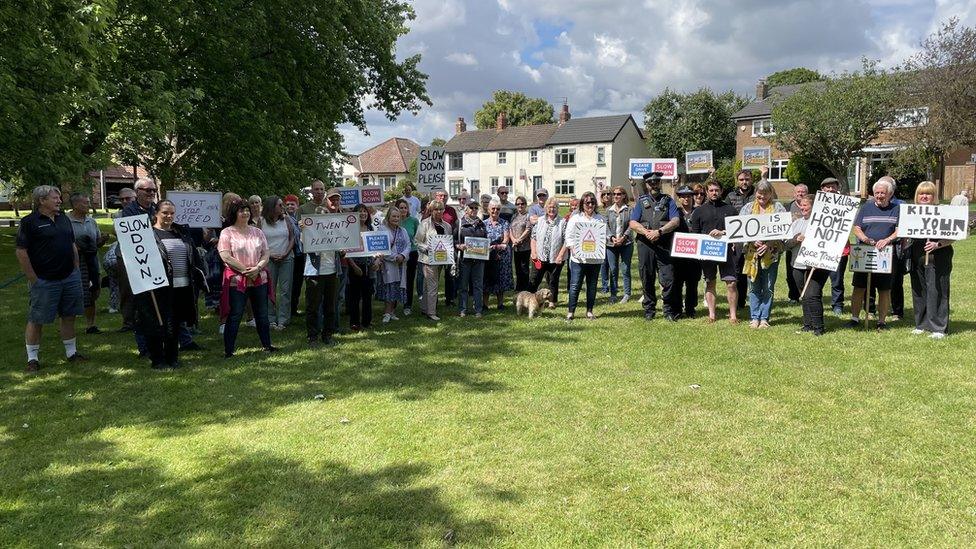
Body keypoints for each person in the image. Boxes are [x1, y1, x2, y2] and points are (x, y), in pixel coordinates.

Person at [16, 185, 87, 372]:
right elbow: (21, 252)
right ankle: (32, 359)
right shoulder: (29, 222)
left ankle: (72, 353)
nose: (60, 201)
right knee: (37, 318)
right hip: (44, 280)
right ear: (42, 201)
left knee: (69, 315)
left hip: (69, 277)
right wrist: (33, 278)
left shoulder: (63, 219)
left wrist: (76, 269)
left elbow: (71, 244)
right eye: (55, 198)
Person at [144, 200, 209, 368]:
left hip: (183, 286)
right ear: (156, 214)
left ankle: (173, 357)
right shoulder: (148, 235)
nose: (169, 216)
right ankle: (158, 359)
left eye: (172, 213)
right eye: (165, 212)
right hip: (160, 287)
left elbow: (193, 256)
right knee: (159, 323)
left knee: (175, 323)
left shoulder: (181, 233)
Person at [218, 199, 275, 357]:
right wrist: (245, 271)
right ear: (234, 213)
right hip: (237, 281)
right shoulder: (227, 232)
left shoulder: (257, 232)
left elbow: (266, 253)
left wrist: (257, 268)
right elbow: (225, 256)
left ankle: (267, 345)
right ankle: (229, 351)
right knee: (235, 314)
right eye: (241, 210)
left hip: (258, 278)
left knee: (262, 314)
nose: (245, 213)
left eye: (247, 210)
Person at [847, 178, 900, 330]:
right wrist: (863, 237)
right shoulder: (865, 208)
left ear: (890, 194)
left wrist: (887, 239)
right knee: (859, 287)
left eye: (883, 193)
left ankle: (881, 321)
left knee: (884, 289)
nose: (879, 196)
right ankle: (855, 318)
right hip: (865, 251)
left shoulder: (896, 209)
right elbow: (857, 227)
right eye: (877, 193)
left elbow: (899, 230)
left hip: (885, 253)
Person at [629, 172, 681, 321]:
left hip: (664, 244)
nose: (654, 185)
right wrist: (646, 232)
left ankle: (668, 310)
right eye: (650, 182)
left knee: (668, 278)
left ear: (660, 183)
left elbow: (675, 221)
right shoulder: (641, 202)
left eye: (656, 182)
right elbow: (633, 222)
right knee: (647, 277)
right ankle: (649, 309)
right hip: (645, 245)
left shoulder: (668, 200)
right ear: (646, 185)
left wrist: (659, 232)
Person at [907, 181, 954, 339]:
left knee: (937, 290)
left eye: (928, 194)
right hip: (917, 254)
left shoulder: (943, 212)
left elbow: (954, 236)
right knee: (919, 289)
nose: (924, 196)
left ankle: (939, 327)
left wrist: (937, 244)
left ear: (934, 196)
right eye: (921, 193)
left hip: (938, 255)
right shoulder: (912, 212)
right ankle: (921, 324)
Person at [689, 180, 740, 324]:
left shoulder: (730, 210)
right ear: (706, 192)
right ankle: (712, 315)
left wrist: (723, 232)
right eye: (711, 190)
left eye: (716, 190)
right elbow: (695, 235)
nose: (714, 193)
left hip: (727, 252)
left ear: (721, 191)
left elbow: (737, 232)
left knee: (731, 284)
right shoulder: (698, 211)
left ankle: (733, 315)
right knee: (710, 283)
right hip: (708, 252)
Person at [120, 177, 159, 354]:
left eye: (153, 190)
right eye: (147, 190)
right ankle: (144, 346)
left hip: (157, 261)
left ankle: (158, 340)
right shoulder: (129, 212)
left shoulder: (157, 210)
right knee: (140, 305)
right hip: (137, 264)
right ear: (137, 193)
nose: (151, 193)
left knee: (157, 303)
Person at [740, 179, 786, 328]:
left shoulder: (778, 208)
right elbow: (740, 230)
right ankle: (754, 317)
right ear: (755, 194)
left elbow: (784, 231)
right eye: (759, 195)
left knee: (768, 286)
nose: (762, 198)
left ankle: (764, 318)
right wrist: (753, 241)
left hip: (771, 254)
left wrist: (768, 244)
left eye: (765, 195)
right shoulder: (747, 208)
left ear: (770, 193)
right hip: (751, 253)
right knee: (753, 285)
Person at [559, 191, 606, 320]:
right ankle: (571, 312)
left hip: (595, 260)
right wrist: (573, 248)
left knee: (592, 287)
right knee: (575, 286)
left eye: (592, 202)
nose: (590, 205)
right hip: (578, 259)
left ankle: (589, 311)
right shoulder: (575, 218)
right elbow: (568, 237)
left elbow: (603, 236)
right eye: (587, 202)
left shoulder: (600, 219)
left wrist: (610, 239)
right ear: (582, 204)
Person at [786, 195, 828, 335]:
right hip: (798, 264)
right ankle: (807, 324)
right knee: (803, 294)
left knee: (812, 294)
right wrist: (796, 240)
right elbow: (786, 244)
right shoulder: (797, 223)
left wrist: (809, 240)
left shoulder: (823, 223)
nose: (802, 208)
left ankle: (818, 327)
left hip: (816, 265)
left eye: (806, 205)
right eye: (801, 205)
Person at [67, 192, 106, 334]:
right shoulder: (65, 221)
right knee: (73, 294)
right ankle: (67, 325)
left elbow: (96, 243)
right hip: (74, 264)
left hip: (92, 262)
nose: (89, 205)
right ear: (76, 205)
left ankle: (91, 325)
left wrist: (102, 240)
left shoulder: (92, 221)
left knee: (93, 292)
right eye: (86, 202)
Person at [258, 195, 294, 330]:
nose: (282, 207)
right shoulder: (262, 221)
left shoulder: (287, 220)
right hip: (269, 259)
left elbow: (292, 238)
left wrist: (285, 253)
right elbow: (259, 241)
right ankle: (271, 318)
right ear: (272, 206)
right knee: (269, 290)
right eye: (279, 205)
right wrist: (269, 255)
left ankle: (283, 320)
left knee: (285, 290)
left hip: (286, 259)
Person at [416, 200, 454, 321]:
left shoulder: (447, 226)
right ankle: (431, 312)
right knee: (432, 286)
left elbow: (449, 243)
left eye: (441, 209)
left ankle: (424, 308)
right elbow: (417, 241)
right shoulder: (425, 224)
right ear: (431, 211)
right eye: (436, 209)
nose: (439, 212)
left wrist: (451, 260)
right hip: (428, 259)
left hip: (442, 260)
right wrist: (426, 249)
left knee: (429, 286)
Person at [726, 169, 756, 308]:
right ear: (737, 181)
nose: (745, 182)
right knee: (738, 270)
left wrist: (764, 177)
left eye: (747, 179)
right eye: (742, 179)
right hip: (737, 239)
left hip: (754, 239)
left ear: (751, 180)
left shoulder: (757, 194)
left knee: (753, 269)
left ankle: (756, 300)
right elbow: (725, 216)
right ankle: (739, 301)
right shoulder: (730, 196)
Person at [375, 205, 411, 323]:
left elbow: (408, 245)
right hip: (388, 264)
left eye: (397, 216)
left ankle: (392, 312)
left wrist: (403, 255)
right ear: (388, 217)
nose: (396, 218)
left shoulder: (403, 230)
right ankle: (387, 312)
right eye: (393, 216)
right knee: (389, 287)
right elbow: (381, 247)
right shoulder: (382, 229)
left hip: (401, 264)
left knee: (397, 287)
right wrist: (395, 257)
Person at [819, 177, 849, 316]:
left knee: (837, 280)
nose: (830, 189)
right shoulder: (816, 204)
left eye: (833, 187)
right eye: (827, 187)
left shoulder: (846, 205)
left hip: (839, 249)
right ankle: (816, 302)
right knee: (816, 280)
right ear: (822, 189)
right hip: (819, 248)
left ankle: (837, 305)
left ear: (838, 189)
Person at [530, 196, 565, 308]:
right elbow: (533, 238)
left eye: (554, 207)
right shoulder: (539, 221)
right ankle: (530, 300)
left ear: (557, 208)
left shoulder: (563, 222)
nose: (552, 210)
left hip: (555, 257)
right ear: (545, 208)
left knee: (553, 280)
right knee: (535, 279)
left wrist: (560, 255)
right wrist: (534, 253)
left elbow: (566, 241)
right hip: (539, 257)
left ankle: (552, 302)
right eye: (549, 207)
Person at [345, 205, 376, 330]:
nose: (363, 214)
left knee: (367, 295)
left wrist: (376, 261)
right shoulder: (350, 229)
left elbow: (375, 247)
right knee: (354, 296)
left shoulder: (370, 228)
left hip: (368, 266)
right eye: (360, 212)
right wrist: (353, 266)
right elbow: (346, 251)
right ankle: (354, 322)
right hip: (354, 267)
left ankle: (367, 321)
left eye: (364, 211)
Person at [672, 185, 700, 317]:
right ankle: (677, 309)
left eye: (689, 195)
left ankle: (690, 309)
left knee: (692, 283)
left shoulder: (699, 211)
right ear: (679, 198)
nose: (686, 198)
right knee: (677, 282)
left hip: (695, 253)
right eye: (683, 196)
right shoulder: (674, 212)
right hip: (678, 253)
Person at [456, 201, 488, 317]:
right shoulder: (460, 223)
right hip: (465, 259)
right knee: (463, 285)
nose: (474, 210)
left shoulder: (481, 224)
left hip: (479, 260)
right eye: (471, 208)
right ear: (466, 209)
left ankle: (478, 309)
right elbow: (453, 240)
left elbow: (485, 239)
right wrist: (459, 246)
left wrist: (486, 247)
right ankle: (463, 309)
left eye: (475, 208)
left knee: (478, 285)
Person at [604, 185, 633, 304]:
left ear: (624, 196)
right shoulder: (608, 210)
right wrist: (611, 237)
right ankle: (613, 294)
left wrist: (624, 237)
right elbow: (605, 226)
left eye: (618, 194)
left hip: (626, 243)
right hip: (611, 244)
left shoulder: (629, 210)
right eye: (614, 194)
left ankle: (627, 293)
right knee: (613, 269)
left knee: (625, 269)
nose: (616, 196)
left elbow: (632, 225)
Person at [483, 199, 513, 309]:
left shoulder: (504, 223)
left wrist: (496, 246)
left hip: (502, 255)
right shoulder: (483, 223)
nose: (495, 211)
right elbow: (482, 239)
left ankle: (500, 303)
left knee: (501, 278)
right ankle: (485, 304)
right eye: (493, 208)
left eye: (498, 209)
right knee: (486, 278)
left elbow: (506, 239)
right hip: (487, 255)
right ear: (488, 209)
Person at [783, 183, 810, 303]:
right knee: (792, 273)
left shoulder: (813, 212)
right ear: (794, 194)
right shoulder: (788, 206)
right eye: (798, 192)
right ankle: (794, 296)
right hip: (793, 248)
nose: (800, 193)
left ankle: (808, 297)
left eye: (802, 191)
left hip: (809, 252)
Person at [395, 198, 419, 316]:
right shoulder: (393, 220)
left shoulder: (414, 221)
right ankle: (392, 305)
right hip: (396, 255)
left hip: (411, 253)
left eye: (405, 208)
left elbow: (418, 237)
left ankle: (407, 305)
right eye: (401, 208)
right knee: (395, 280)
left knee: (409, 280)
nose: (403, 210)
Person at [284, 194, 305, 317]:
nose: (290, 206)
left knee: (297, 283)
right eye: (288, 204)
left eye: (293, 204)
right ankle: (288, 310)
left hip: (300, 255)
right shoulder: (284, 219)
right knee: (290, 283)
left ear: (297, 206)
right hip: (291, 254)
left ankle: (293, 308)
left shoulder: (298, 220)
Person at [509, 196, 532, 292]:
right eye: (518, 204)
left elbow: (528, 229)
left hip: (525, 246)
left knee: (524, 268)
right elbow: (510, 228)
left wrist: (519, 239)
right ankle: (518, 287)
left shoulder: (528, 216)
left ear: (525, 205)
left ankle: (525, 287)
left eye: (522, 203)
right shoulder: (514, 216)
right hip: (515, 247)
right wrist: (513, 239)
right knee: (517, 267)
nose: (520, 205)